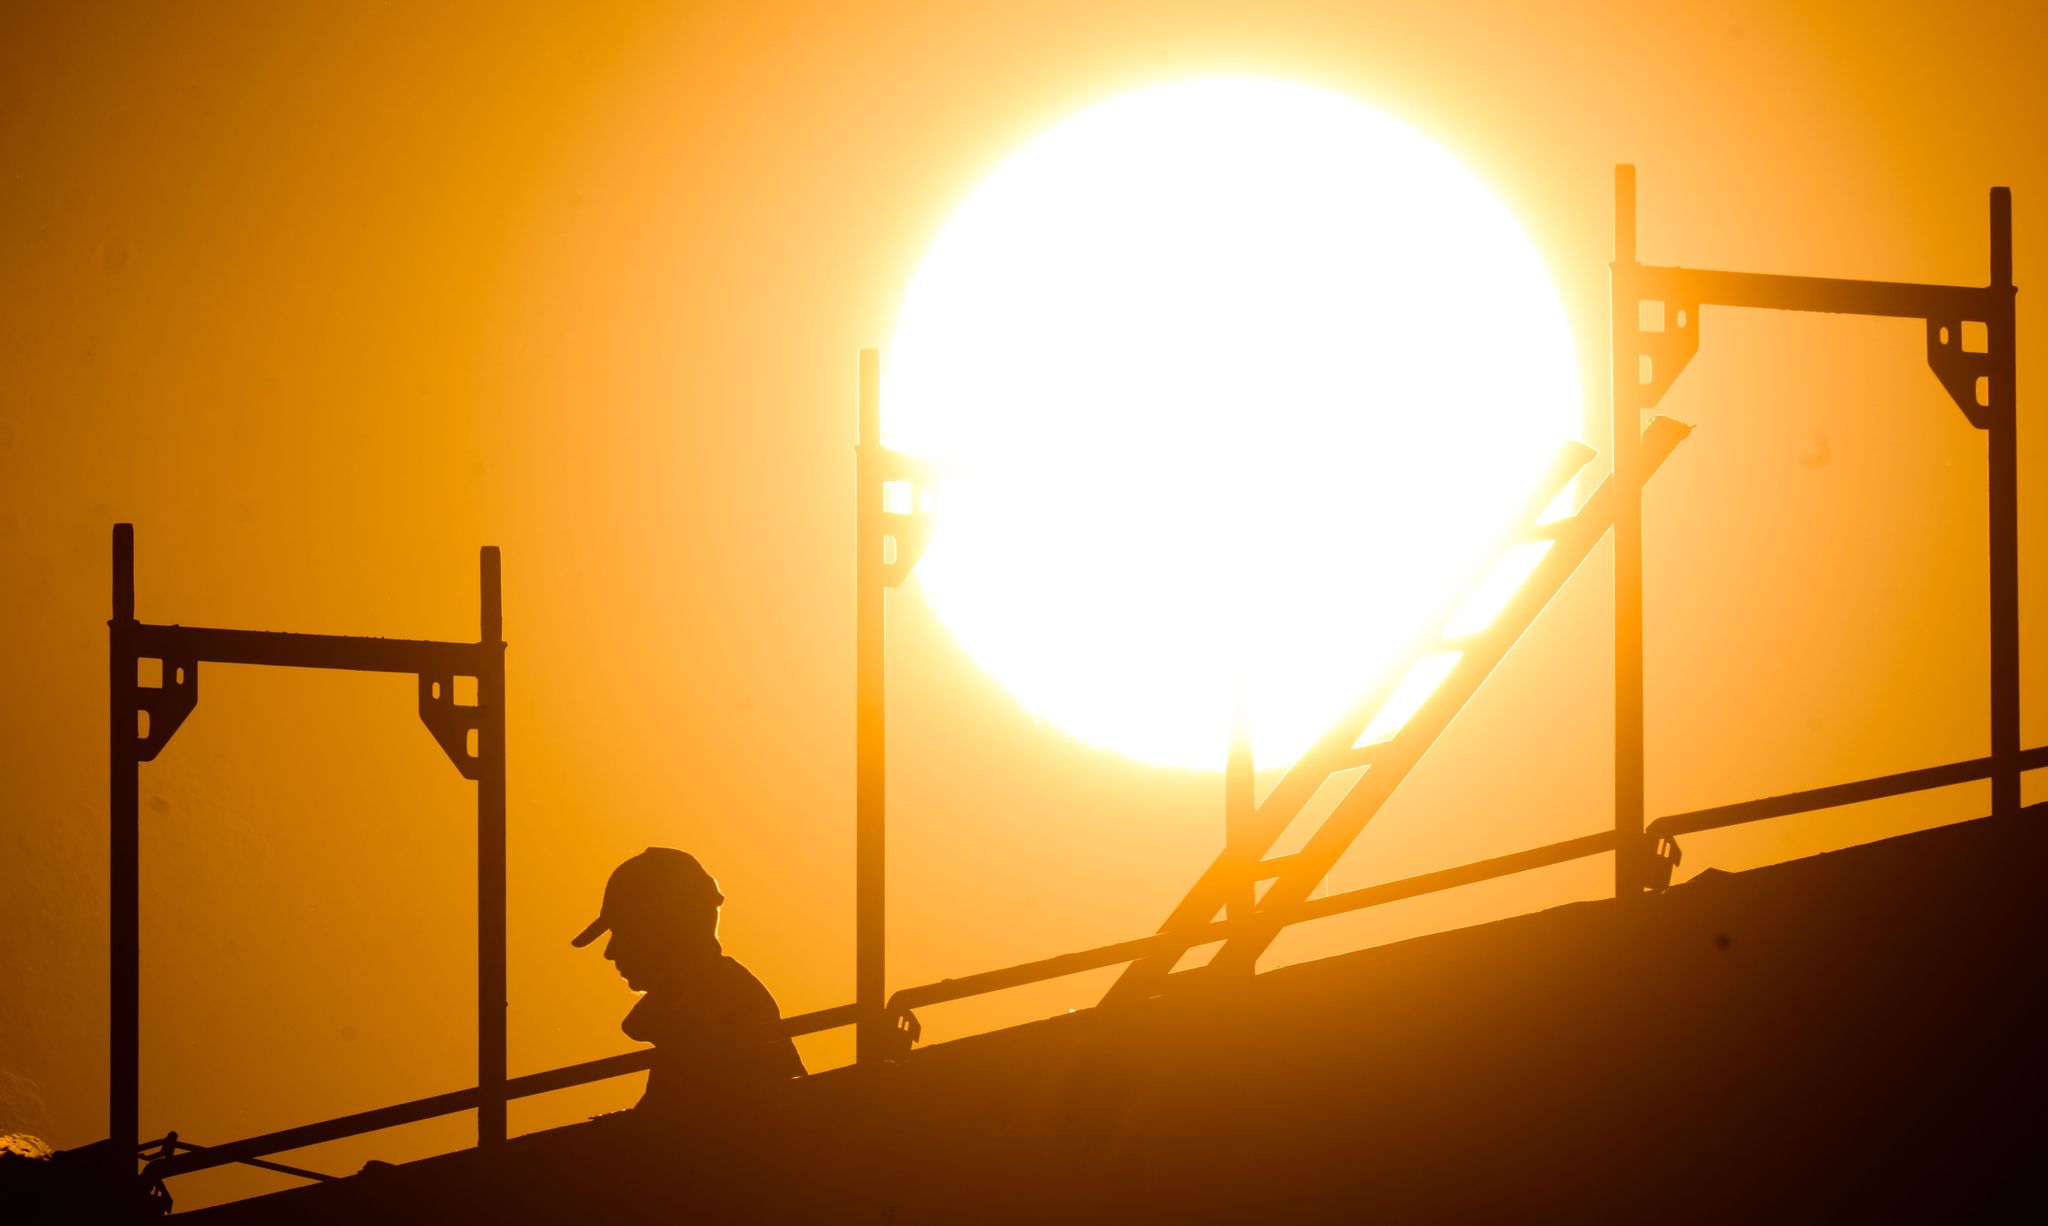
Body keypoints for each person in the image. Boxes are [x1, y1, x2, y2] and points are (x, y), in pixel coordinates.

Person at [571, 848, 804, 1114]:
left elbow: (686, 1119)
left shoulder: (714, 999)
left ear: (663, 927)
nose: (610, 952)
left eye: (623, 931)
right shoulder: (702, 994)